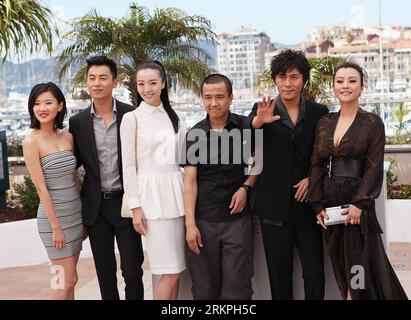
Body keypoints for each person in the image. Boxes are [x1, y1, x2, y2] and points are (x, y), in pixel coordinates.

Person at [308, 62, 408, 300]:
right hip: (330, 205)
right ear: (333, 87)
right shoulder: (325, 122)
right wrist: (317, 204)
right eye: (340, 81)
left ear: (362, 87)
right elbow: (315, 164)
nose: (345, 85)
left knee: (359, 265)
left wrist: (360, 204)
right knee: (341, 265)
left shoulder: (372, 122)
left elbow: (374, 166)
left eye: (352, 80)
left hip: (355, 204)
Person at [244, 49, 328, 300]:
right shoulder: (261, 110)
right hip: (273, 207)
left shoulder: (318, 112)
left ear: (304, 79)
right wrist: (258, 122)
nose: (288, 83)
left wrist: (313, 179)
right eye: (282, 77)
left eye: (294, 77)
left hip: (308, 206)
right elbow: (245, 142)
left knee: (315, 274)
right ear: (275, 80)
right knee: (279, 277)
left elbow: (327, 155)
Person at [68, 55, 144, 300]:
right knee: (105, 273)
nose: (97, 83)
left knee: (132, 271)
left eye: (103, 78)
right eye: (92, 78)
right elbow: (73, 163)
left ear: (115, 82)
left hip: (126, 204)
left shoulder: (131, 114)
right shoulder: (77, 122)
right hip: (96, 208)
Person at [183, 74, 257, 300]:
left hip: (237, 221)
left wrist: (245, 187)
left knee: (238, 287)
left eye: (219, 97)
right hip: (204, 220)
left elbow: (256, 165)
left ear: (231, 98)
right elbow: (190, 181)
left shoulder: (245, 127)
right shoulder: (194, 134)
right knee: (204, 289)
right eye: (208, 97)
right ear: (202, 99)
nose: (213, 103)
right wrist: (190, 225)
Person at [120, 61, 186, 300]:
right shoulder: (132, 118)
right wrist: (136, 207)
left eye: (152, 83)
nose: (146, 89)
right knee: (167, 273)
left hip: (176, 198)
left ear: (163, 84)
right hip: (151, 202)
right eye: (141, 84)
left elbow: (183, 158)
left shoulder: (173, 116)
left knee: (176, 271)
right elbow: (128, 166)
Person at [23, 82, 83, 300]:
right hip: (53, 220)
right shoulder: (31, 141)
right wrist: (56, 227)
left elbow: (74, 178)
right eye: (37, 103)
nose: (42, 108)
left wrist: (82, 216)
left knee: (72, 280)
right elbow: (40, 187)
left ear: (59, 106)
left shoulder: (68, 137)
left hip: (75, 215)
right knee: (61, 282)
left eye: (48, 102)